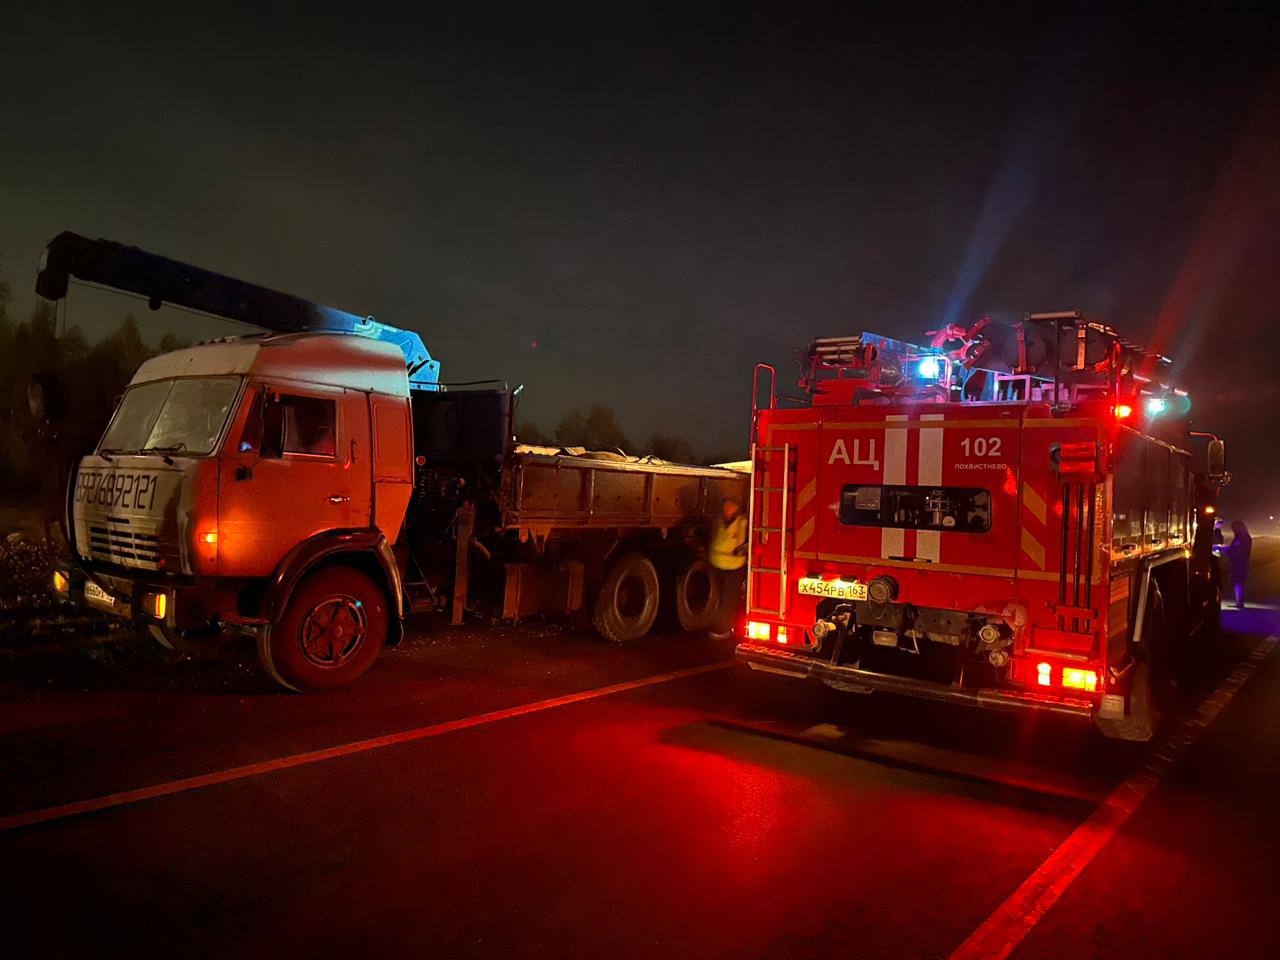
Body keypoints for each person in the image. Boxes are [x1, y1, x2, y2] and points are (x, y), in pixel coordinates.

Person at [708, 496, 748, 640]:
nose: (727, 510)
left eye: (729, 507)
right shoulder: (721, 522)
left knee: (727, 600)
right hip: (722, 565)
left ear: (736, 508)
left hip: (731, 566)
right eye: (725, 508)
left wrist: (743, 548)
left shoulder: (742, 522)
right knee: (723, 600)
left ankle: (723, 629)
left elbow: (749, 541)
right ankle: (721, 628)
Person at [1224, 520, 1252, 610]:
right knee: (1239, 582)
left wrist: (1224, 549)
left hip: (1239, 563)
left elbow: (1236, 550)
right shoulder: (1247, 537)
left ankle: (1239, 603)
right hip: (1243, 562)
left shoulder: (1240, 538)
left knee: (1238, 582)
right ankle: (1239, 602)